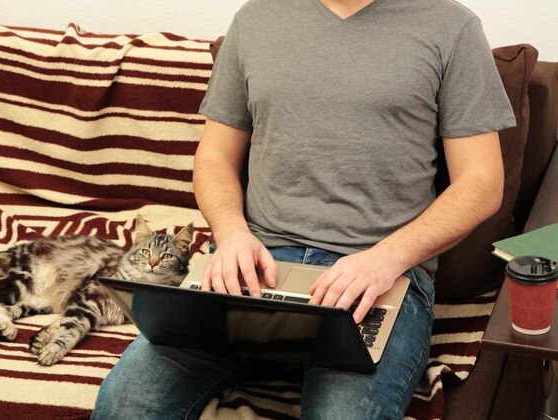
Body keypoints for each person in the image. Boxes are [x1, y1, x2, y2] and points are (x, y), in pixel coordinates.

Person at [92, 0, 516, 418]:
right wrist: (231, 233)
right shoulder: (255, 19)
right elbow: (214, 158)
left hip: (379, 279)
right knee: (125, 405)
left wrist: (385, 259)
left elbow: (482, 183)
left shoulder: (451, 26)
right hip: (254, 271)